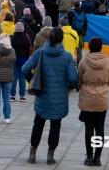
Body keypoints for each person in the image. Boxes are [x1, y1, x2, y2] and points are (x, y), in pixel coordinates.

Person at [22, 28, 78, 165]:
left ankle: (32, 153)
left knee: (38, 123)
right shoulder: (67, 56)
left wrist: (33, 80)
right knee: (55, 125)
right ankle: (50, 155)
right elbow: (73, 78)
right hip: (59, 97)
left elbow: (24, 69)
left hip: (42, 95)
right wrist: (69, 86)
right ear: (61, 39)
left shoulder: (40, 53)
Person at [78, 37, 109, 166]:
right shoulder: (107, 61)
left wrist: (84, 87)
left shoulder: (84, 61)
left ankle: (89, 156)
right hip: (102, 97)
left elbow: (79, 79)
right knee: (100, 128)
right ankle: (98, 157)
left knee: (89, 128)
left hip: (87, 97)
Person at [10, 22, 31, 102]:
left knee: (14, 78)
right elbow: (29, 47)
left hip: (14, 59)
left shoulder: (12, 37)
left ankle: (12, 95)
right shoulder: (26, 37)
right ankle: (22, 96)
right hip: (23, 59)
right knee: (22, 78)